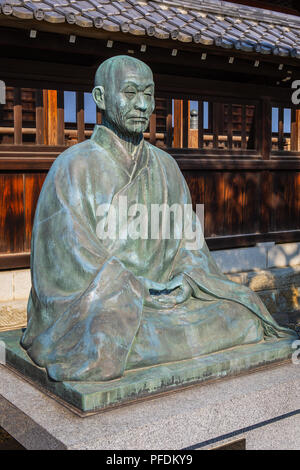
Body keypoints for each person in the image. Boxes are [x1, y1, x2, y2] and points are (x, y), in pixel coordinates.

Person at [21, 55, 297, 382]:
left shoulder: (166, 166)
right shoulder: (73, 167)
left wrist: (185, 281)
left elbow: (190, 245)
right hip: (108, 304)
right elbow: (66, 260)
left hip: (168, 301)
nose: (142, 105)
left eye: (148, 95)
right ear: (100, 98)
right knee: (105, 340)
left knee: (242, 314)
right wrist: (134, 287)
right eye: (130, 92)